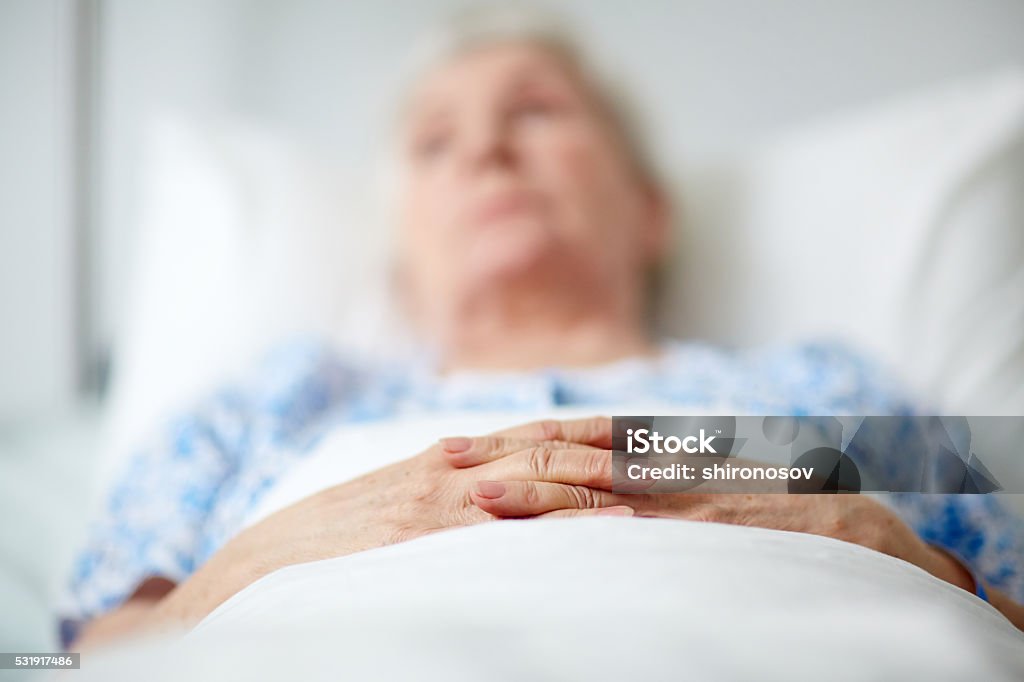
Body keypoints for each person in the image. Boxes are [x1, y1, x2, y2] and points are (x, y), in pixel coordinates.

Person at [61, 7, 1024, 648]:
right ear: (406, 251)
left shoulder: (822, 386)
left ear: (649, 209)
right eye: (435, 143)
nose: (483, 150)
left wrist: (907, 559)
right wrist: (250, 568)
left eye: (536, 111)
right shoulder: (276, 404)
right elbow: (46, 665)